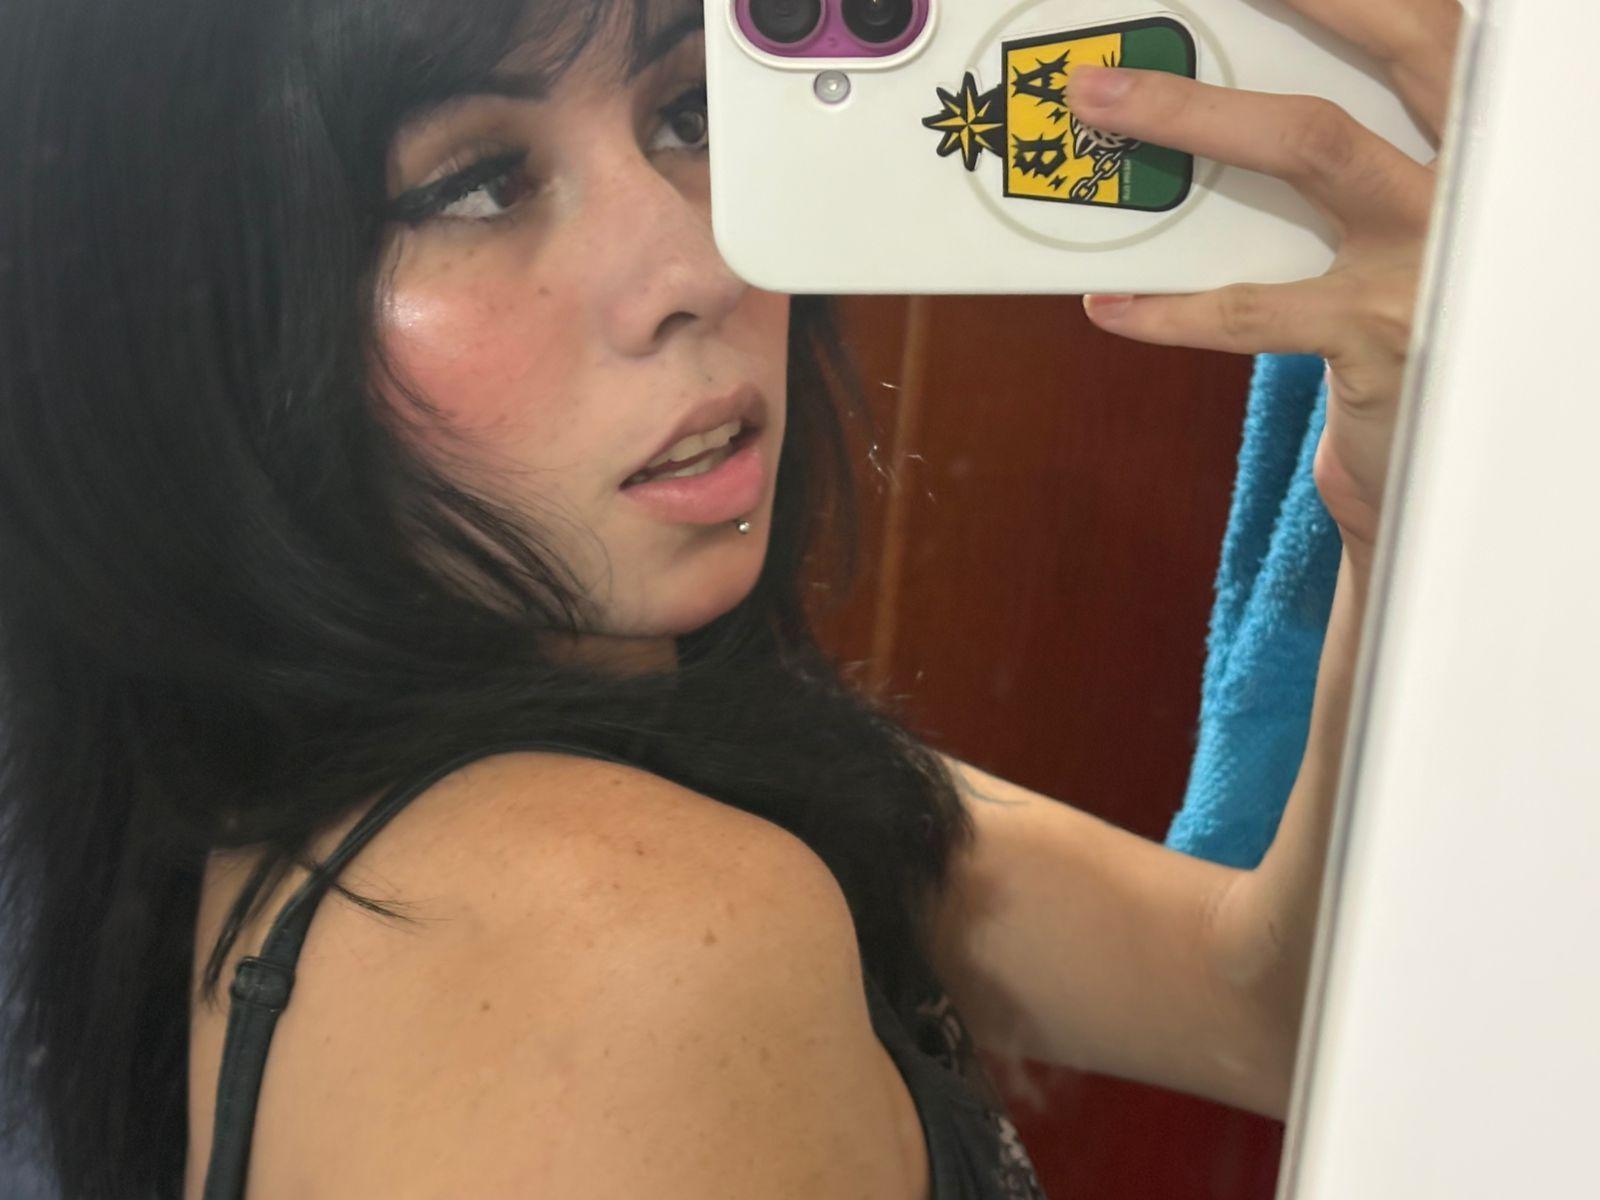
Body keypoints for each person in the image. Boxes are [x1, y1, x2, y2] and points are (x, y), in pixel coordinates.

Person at [0, 0, 1460, 1196]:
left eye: (690, 115)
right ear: (207, 336)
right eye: (475, 185)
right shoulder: (620, 940)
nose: (701, 261)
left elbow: (1275, 1002)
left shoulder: (584, 765)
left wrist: (1382, 493)